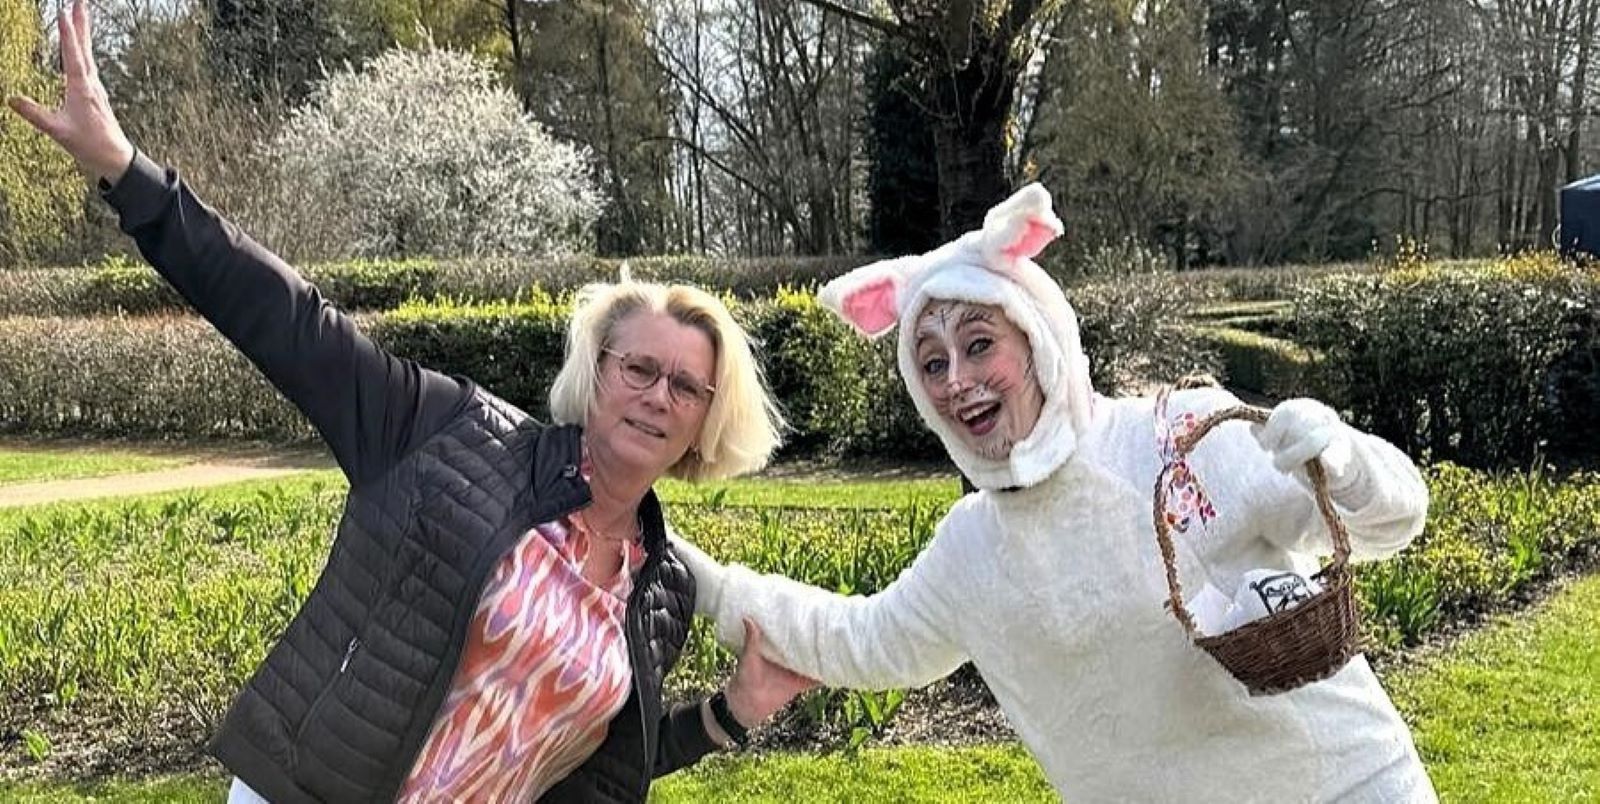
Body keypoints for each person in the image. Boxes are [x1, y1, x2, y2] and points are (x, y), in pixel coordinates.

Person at [7, 3, 813, 801]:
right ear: (596, 373)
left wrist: (729, 714)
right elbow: (289, 322)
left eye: (685, 386)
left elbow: (594, 772)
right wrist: (125, 170)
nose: (656, 397)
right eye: (638, 368)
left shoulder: (660, 591)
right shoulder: (448, 433)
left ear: (707, 419)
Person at [675, 183, 1439, 801]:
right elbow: (863, 639)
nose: (958, 381)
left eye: (980, 345)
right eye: (932, 363)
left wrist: (1344, 459)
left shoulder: (1183, 439)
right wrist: (698, 579)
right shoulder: (972, 549)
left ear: (1041, 340)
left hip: (1351, 786)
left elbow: (1391, 521)